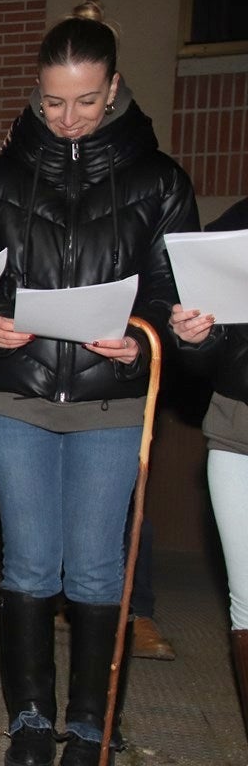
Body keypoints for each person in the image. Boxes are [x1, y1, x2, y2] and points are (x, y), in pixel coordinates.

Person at [0, 0, 198, 766]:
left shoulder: (160, 181)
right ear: (36, 91)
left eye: (87, 101)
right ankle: (29, 723)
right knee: (28, 563)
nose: (68, 118)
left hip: (110, 400)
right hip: (16, 398)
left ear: (114, 87)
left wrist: (142, 340)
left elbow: (174, 297)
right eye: (53, 102)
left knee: (94, 565)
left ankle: (91, 726)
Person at [168, 196, 248, 739]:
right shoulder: (236, 226)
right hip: (239, 429)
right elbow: (206, 348)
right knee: (247, 605)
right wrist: (191, 335)